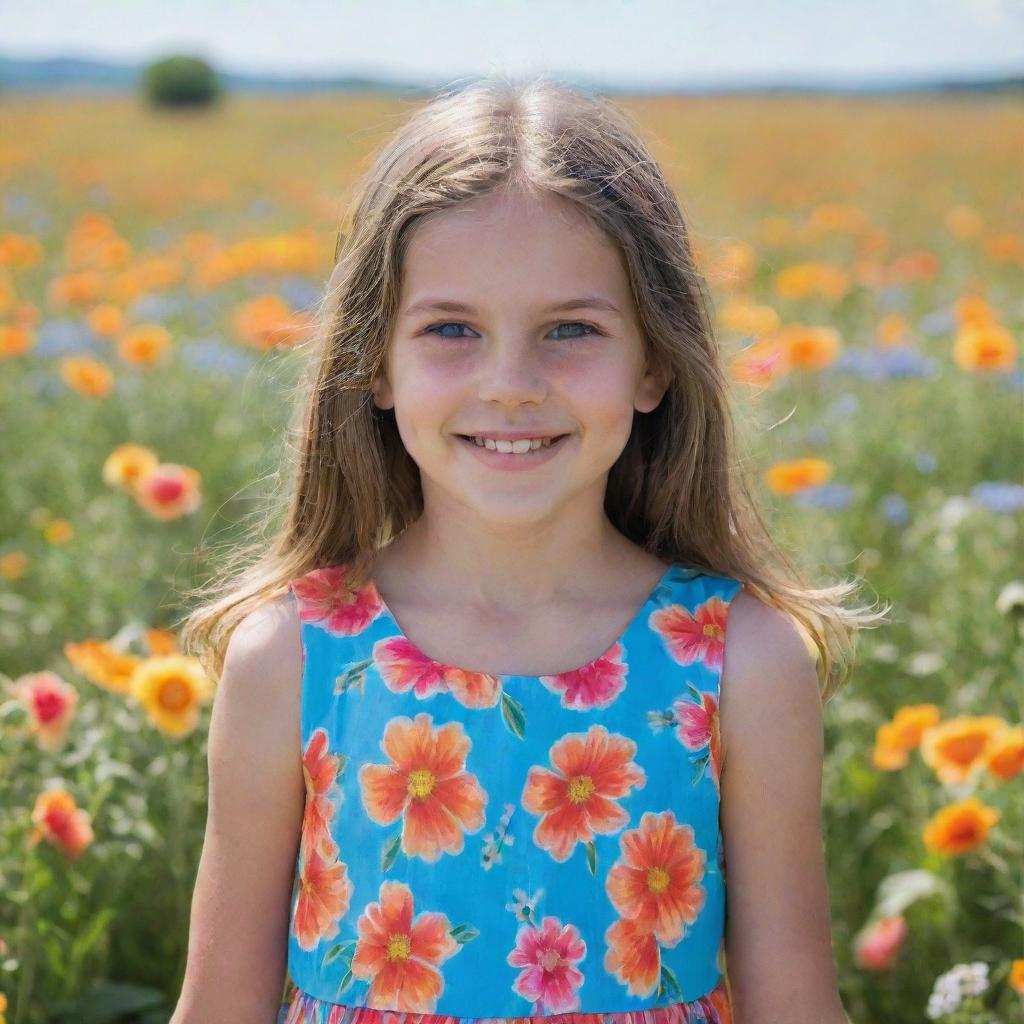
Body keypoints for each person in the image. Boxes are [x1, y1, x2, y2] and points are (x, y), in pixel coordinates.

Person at [171, 74, 885, 1024]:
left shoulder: (740, 662)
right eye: (452, 329)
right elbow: (218, 1007)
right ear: (375, 363)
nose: (511, 383)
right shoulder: (294, 658)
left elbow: (795, 1007)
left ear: (655, 364)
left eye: (570, 331)